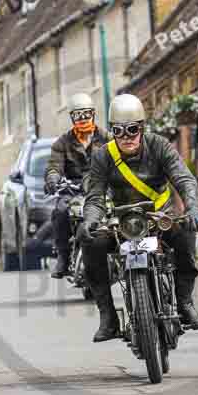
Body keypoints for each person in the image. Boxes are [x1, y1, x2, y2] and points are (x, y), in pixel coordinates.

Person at [79, 93, 198, 342]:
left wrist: (192, 208)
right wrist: (90, 221)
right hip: (122, 222)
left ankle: (185, 304)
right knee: (89, 241)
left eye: (132, 129)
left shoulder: (159, 146)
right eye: (119, 131)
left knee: (185, 235)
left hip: (161, 217)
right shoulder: (102, 156)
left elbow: (184, 179)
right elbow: (95, 197)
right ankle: (108, 317)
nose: (126, 137)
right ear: (112, 131)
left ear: (141, 127)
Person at [44, 93, 110, 279]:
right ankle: (63, 257)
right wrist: (53, 179)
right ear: (72, 117)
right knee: (60, 210)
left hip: (103, 189)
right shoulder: (62, 143)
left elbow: (120, 160)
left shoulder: (107, 137)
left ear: (93, 114)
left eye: (86, 114)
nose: (83, 119)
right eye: (78, 115)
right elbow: (54, 166)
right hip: (73, 191)